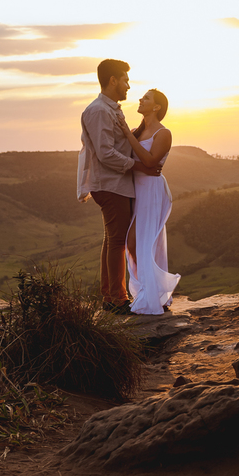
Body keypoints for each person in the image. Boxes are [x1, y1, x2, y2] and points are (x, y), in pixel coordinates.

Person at [76, 59, 158, 314]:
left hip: (115, 183)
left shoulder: (110, 109)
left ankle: (110, 296)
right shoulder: (99, 110)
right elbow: (105, 153)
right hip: (110, 183)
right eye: (125, 80)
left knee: (112, 239)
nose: (128, 86)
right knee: (118, 241)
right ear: (113, 80)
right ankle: (117, 300)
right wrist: (138, 166)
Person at [118, 89, 181, 314]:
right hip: (137, 190)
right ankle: (150, 291)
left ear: (156, 107)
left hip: (152, 191)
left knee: (143, 243)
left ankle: (152, 295)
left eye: (146, 98)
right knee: (135, 244)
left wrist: (128, 135)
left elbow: (151, 161)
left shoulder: (163, 133)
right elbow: (142, 164)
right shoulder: (138, 132)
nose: (140, 100)